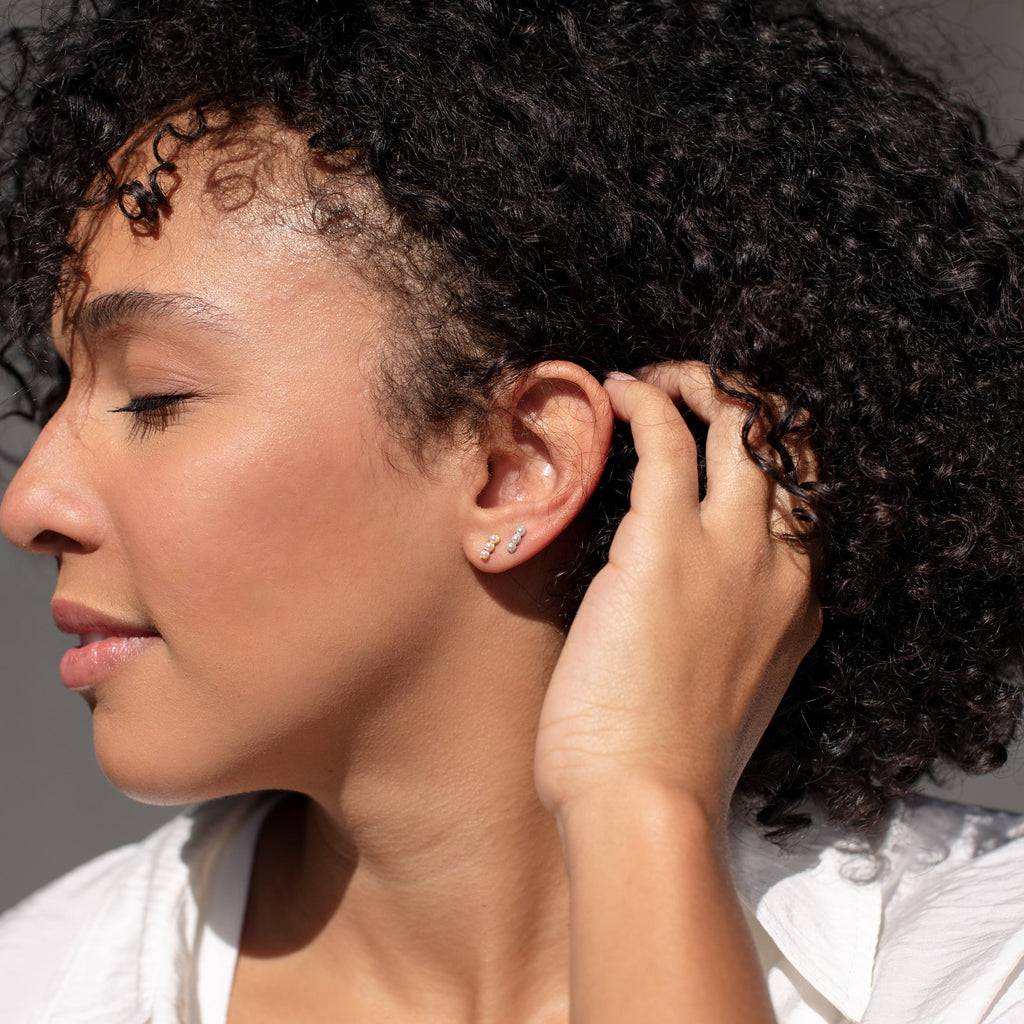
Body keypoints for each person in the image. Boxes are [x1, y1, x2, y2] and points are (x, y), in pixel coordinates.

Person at [0, 0, 1023, 1021]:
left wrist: (639, 797)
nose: (29, 502)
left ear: (516, 463)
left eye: (156, 394)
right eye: (59, 395)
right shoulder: (40, 982)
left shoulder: (978, 971)